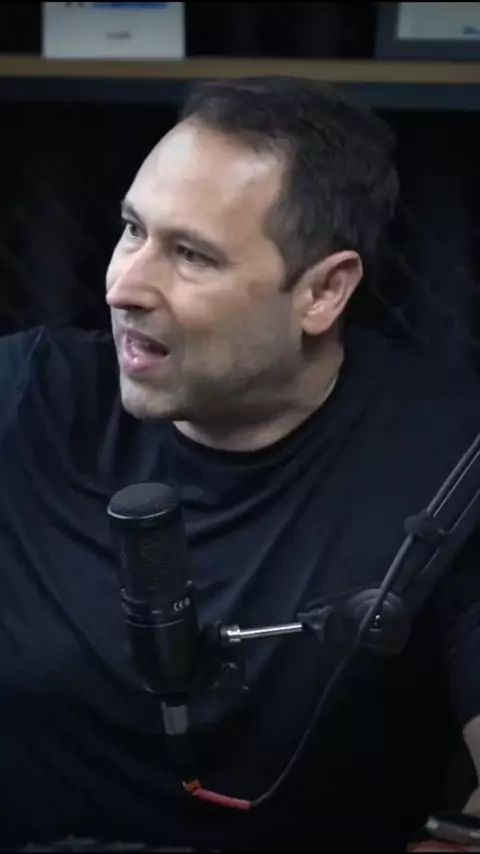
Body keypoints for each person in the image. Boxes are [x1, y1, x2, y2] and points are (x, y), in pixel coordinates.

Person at [1, 76, 480, 854]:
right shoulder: (28, 397)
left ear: (323, 291)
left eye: (191, 256)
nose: (123, 287)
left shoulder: (453, 463)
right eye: (132, 230)